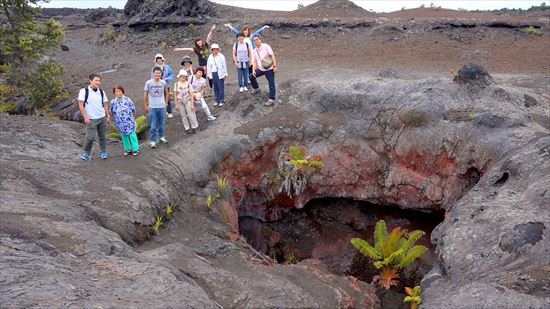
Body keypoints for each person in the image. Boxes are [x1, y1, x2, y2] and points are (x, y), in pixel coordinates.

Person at [173, 25, 216, 91]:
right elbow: (187, 49)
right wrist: (179, 49)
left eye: (200, 41)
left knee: (210, 77)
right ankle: (203, 90)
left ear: (201, 41)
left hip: (209, 64)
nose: (199, 42)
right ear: (196, 43)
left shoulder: (206, 45)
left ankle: (211, 88)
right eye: (197, 42)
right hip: (202, 65)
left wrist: (211, 30)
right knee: (203, 78)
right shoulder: (196, 49)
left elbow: (208, 37)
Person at [78, 73, 110, 160]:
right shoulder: (84, 91)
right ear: (90, 81)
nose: (98, 82)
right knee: (90, 137)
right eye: (96, 80)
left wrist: (107, 116)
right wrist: (85, 117)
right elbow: (81, 105)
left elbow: (105, 104)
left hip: (101, 117)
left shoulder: (101, 92)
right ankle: (86, 153)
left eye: (99, 81)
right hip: (91, 119)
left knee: (102, 136)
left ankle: (103, 151)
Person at [109, 85, 139, 156]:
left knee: (132, 134)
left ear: (122, 91)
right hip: (120, 123)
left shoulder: (127, 99)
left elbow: (133, 109)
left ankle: (135, 149)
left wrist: (130, 118)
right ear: (114, 92)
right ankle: (128, 149)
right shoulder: (113, 102)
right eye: (116, 91)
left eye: (119, 91)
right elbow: (111, 111)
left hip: (129, 121)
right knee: (124, 136)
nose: (118, 93)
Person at [144, 66, 170, 148]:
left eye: (159, 73)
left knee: (161, 124)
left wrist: (166, 103)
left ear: (161, 74)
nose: (157, 74)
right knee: (153, 125)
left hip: (161, 106)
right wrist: (146, 105)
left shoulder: (163, 83)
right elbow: (145, 94)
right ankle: (152, 141)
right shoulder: (148, 83)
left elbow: (167, 93)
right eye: (156, 73)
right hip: (152, 107)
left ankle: (161, 137)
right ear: (153, 73)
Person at [249, 35, 278, 107]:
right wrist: (253, 70)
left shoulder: (266, 46)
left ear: (260, 39)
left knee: (271, 83)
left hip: (269, 69)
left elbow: (272, 55)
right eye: (254, 40)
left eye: (257, 39)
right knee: (251, 76)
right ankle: (256, 88)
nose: (256, 41)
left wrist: (274, 66)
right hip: (261, 69)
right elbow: (255, 62)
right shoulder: (254, 50)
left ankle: (271, 99)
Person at [174, 70, 198, 134]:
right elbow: (175, 95)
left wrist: (192, 104)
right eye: (181, 76)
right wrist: (176, 104)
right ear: (179, 76)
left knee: (190, 114)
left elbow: (191, 94)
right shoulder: (176, 84)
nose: (183, 77)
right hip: (180, 101)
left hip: (188, 100)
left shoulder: (188, 84)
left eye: (184, 76)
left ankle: (194, 127)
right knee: (183, 115)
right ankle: (186, 128)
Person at [150, 54, 174, 118]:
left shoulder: (167, 67)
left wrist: (166, 78)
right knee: (159, 99)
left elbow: (171, 74)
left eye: (160, 60)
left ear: (162, 60)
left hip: (166, 86)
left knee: (168, 99)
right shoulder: (154, 68)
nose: (159, 61)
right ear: (156, 61)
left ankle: (169, 112)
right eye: (158, 60)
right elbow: (152, 78)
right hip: (157, 87)